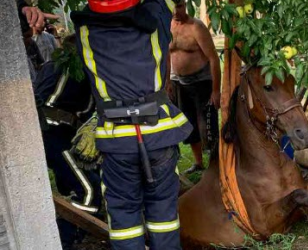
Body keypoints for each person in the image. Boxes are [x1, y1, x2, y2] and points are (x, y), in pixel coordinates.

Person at [71, 0, 192, 249]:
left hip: (117, 142)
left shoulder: (84, 32)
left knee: (124, 217)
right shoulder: (156, 18)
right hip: (159, 136)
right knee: (164, 214)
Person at [33, 34, 101, 250]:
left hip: (48, 132)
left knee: (72, 182)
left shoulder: (52, 64)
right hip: (54, 133)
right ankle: (63, 239)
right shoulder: (75, 67)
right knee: (89, 191)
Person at [170, 1, 221, 173]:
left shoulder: (196, 27)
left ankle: (216, 166)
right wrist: (166, 82)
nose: (177, 11)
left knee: (207, 126)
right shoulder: (166, 25)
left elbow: (214, 58)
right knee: (187, 125)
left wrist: (216, 90)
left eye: (180, 6)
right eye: (174, 7)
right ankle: (198, 163)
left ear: (185, 5)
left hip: (201, 83)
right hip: (178, 82)